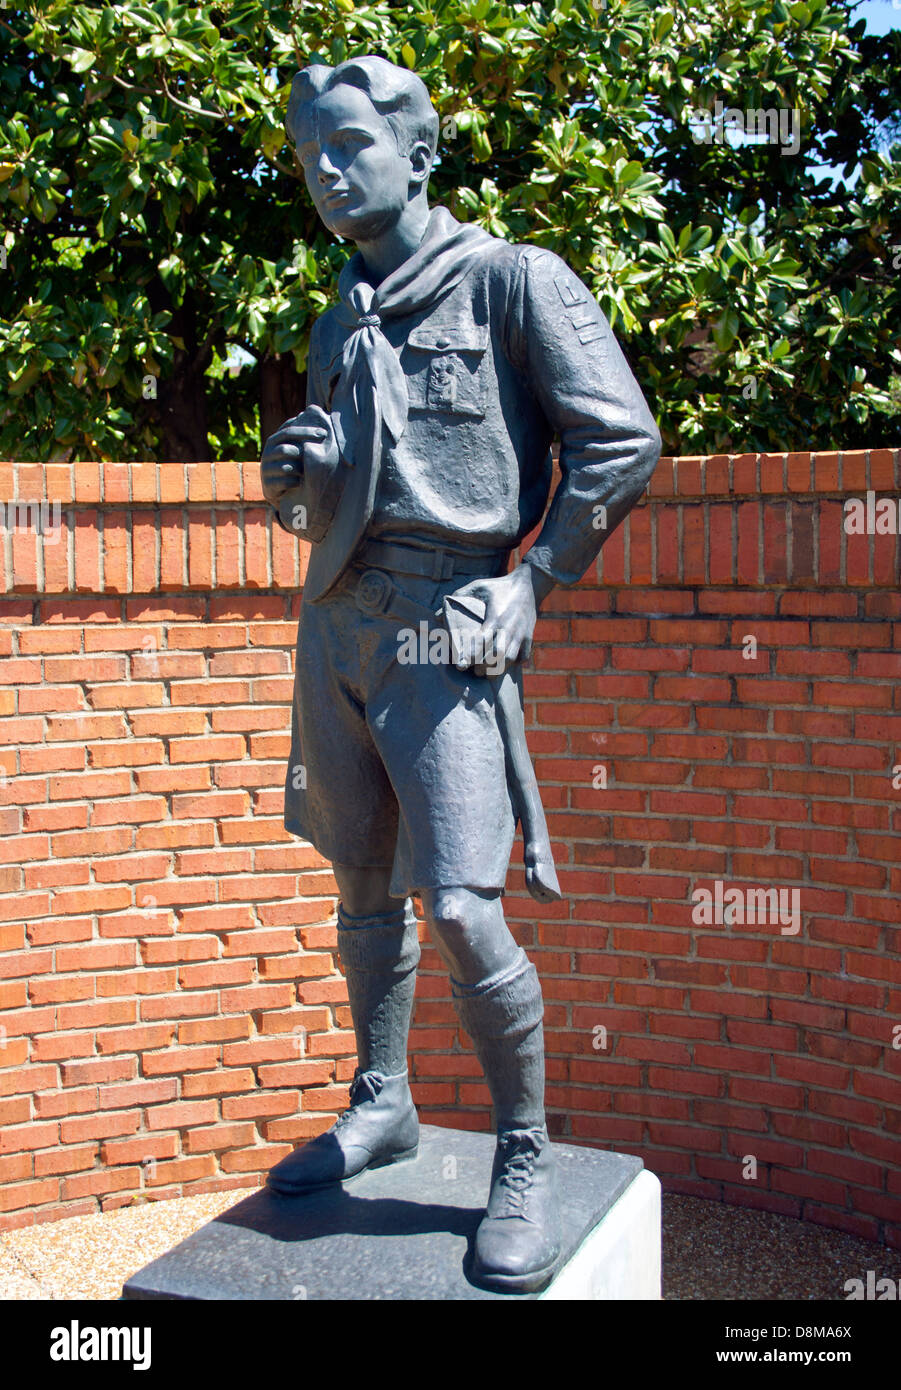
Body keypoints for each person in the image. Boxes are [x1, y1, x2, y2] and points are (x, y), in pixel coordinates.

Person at [259, 55, 661, 1294]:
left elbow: (621, 438)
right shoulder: (340, 311)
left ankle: (523, 1156)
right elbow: (348, 482)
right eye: (310, 156)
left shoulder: (510, 280)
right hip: (338, 622)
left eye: (349, 148)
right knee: (359, 881)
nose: (327, 174)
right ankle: (382, 1101)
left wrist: (530, 584)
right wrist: (302, 475)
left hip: (449, 625)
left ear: (417, 155)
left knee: (462, 904)